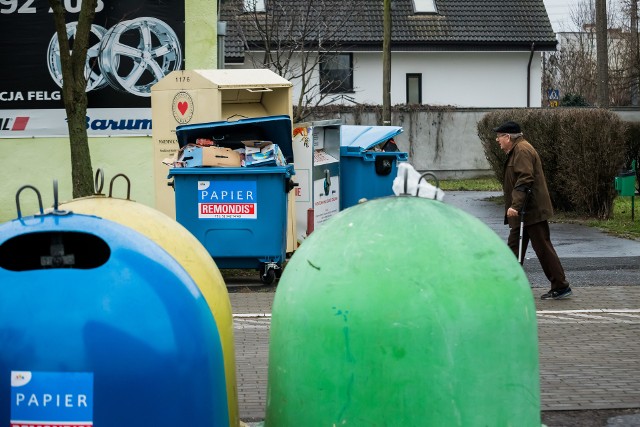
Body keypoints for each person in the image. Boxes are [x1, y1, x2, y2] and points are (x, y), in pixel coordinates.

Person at [494, 120, 572, 300]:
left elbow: (525, 179)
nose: (497, 140)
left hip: (531, 211)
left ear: (508, 137)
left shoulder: (521, 150)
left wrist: (515, 206)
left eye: (499, 136)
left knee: (542, 248)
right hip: (525, 212)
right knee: (514, 248)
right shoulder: (517, 150)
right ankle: (508, 285)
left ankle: (560, 286)